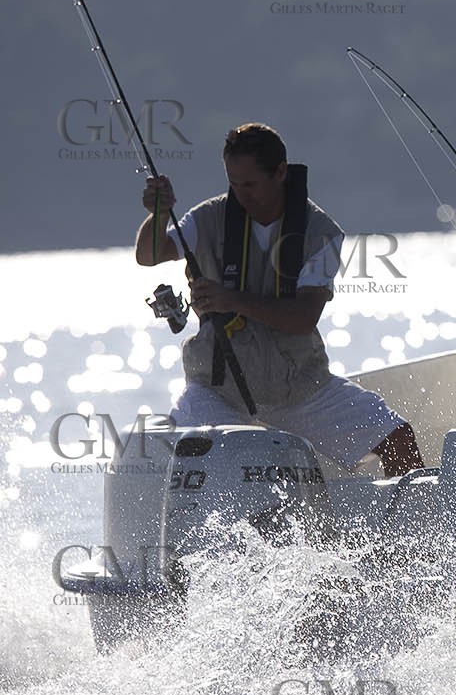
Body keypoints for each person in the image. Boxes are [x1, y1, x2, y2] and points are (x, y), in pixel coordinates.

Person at [136, 122, 423, 476]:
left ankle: (410, 531)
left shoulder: (321, 233)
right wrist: (160, 213)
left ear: (281, 172)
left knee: (399, 440)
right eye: (234, 183)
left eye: (251, 184)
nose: (242, 194)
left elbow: (303, 318)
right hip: (216, 390)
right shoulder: (210, 216)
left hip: (298, 390)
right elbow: (150, 255)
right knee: (191, 459)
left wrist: (233, 300)